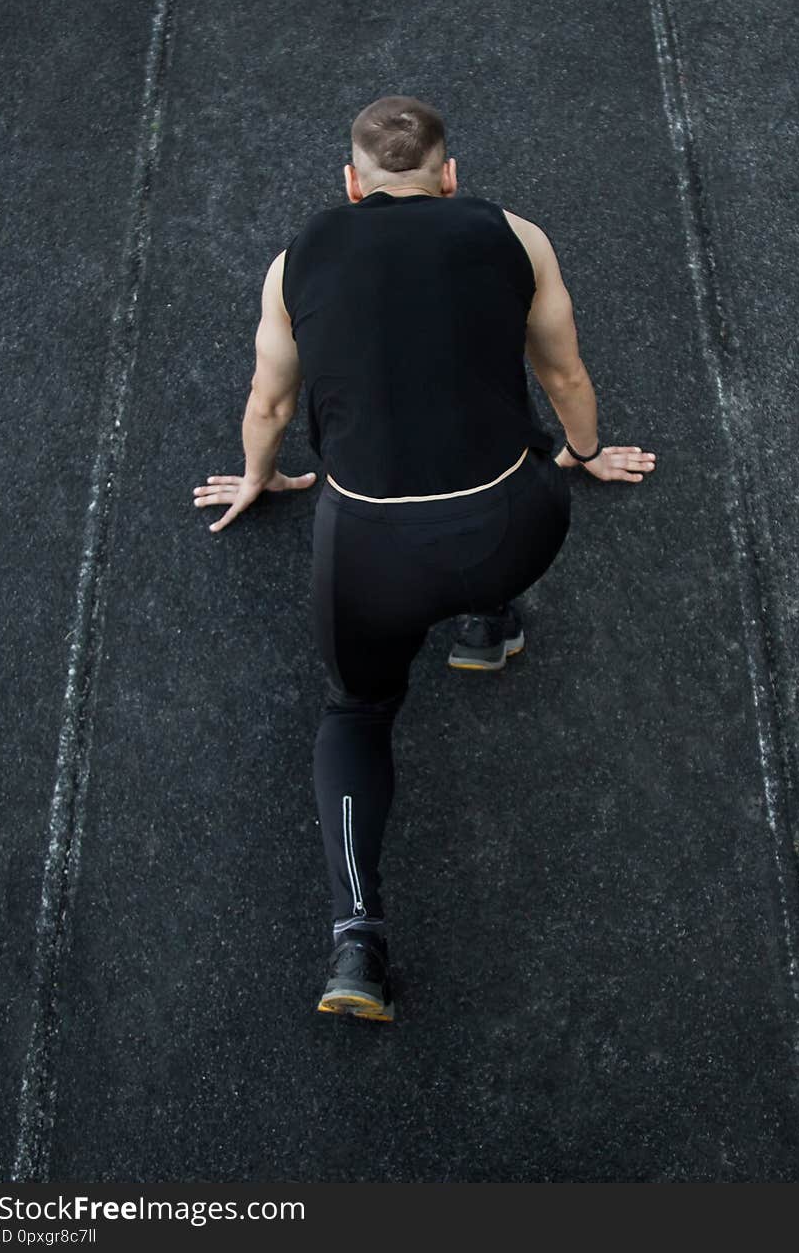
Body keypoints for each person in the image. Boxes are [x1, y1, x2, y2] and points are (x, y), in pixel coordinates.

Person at [192, 95, 657, 1022]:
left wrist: (258, 477)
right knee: (519, 494)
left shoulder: (298, 260)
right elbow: (561, 373)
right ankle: (488, 625)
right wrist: (588, 450)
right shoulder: (516, 235)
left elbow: (270, 403)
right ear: (450, 177)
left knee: (357, 714)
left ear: (352, 186)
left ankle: (356, 942)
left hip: (371, 549)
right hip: (509, 529)